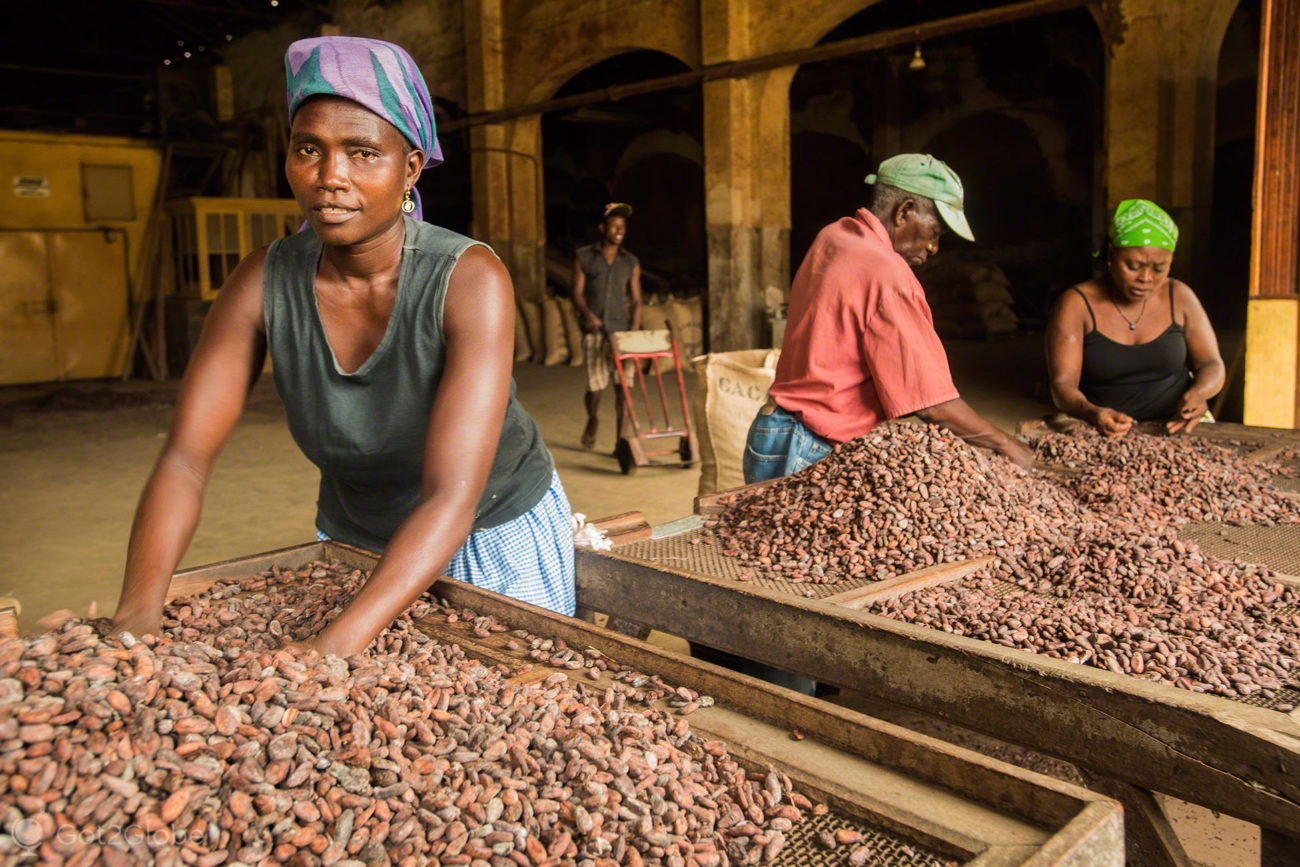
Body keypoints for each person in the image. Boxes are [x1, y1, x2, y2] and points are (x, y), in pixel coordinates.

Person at [110, 36, 575, 657]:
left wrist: (327, 652)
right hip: (355, 542)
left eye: (362, 152)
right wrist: (139, 613)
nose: (331, 177)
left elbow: (451, 496)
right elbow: (186, 458)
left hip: (486, 534)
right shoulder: (261, 283)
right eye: (310, 149)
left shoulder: (468, 280)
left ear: (410, 167)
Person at [744, 153, 1035, 484]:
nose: (934, 247)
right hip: (810, 448)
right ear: (905, 211)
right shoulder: (887, 273)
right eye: (934, 231)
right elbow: (932, 403)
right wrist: (1006, 444)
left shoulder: (834, 236)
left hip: (772, 433)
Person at [1046, 199, 1224, 437]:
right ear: (1111, 254)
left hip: (1178, 425)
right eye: (1134, 266)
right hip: (1101, 428)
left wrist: (1200, 393)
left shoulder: (1180, 297)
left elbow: (1212, 365)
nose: (1146, 278)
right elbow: (1062, 385)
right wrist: (1093, 412)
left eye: (1159, 268)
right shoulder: (1076, 304)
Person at [571, 203, 643, 450]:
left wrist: (633, 331)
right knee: (595, 387)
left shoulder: (630, 262)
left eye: (622, 226)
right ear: (602, 228)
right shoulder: (584, 257)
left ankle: (620, 443)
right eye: (614, 225)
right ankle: (592, 420)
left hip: (621, 334)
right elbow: (577, 294)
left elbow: (636, 300)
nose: (619, 230)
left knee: (624, 389)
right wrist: (588, 314)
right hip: (595, 331)